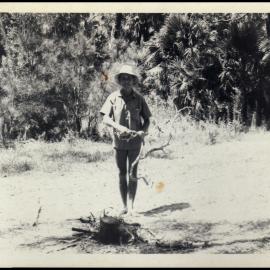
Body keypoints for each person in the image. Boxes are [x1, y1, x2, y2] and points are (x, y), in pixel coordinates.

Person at [100, 64, 152, 215]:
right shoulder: (113, 97)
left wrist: (143, 131)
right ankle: (124, 206)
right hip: (119, 143)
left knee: (133, 174)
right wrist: (118, 127)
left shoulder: (139, 99)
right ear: (120, 81)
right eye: (123, 78)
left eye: (128, 78)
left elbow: (147, 119)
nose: (126, 81)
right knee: (122, 173)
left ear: (133, 80)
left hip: (135, 143)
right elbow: (105, 118)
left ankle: (132, 206)